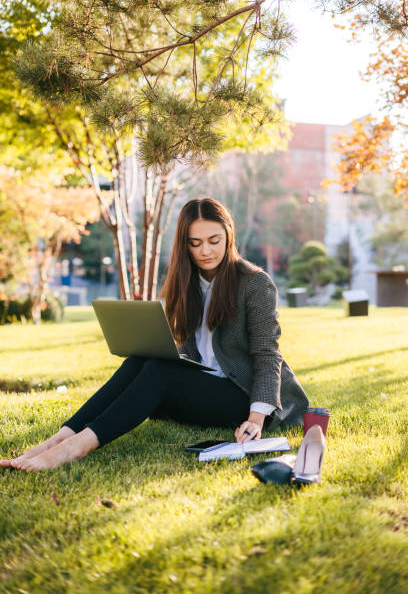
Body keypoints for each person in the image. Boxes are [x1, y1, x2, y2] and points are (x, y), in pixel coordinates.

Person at [0, 198, 309, 472]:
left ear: (229, 235)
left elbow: (268, 357)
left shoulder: (254, 283)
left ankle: (77, 447)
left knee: (159, 372)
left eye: (214, 240)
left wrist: (255, 419)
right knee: (141, 360)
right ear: (184, 244)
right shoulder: (186, 282)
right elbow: (196, 347)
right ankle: (59, 439)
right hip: (206, 386)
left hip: (247, 398)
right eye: (195, 242)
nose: (205, 251)